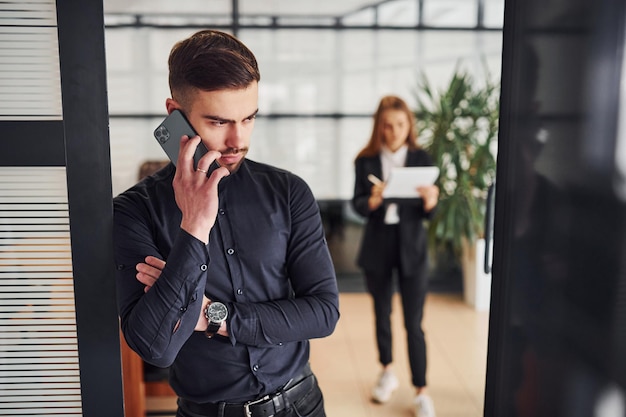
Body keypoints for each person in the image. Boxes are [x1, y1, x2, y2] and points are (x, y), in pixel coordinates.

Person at [113, 29, 340, 417]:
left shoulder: (289, 193)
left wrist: (212, 317)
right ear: (176, 115)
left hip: (301, 404)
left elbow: (322, 313)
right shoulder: (133, 212)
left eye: (248, 118)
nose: (238, 140)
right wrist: (194, 227)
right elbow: (157, 346)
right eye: (219, 122)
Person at [351, 95, 439, 417]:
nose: (394, 131)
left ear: (409, 125)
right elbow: (357, 205)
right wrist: (372, 201)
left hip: (412, 249)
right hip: (378, 246)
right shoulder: (366, 160)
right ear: (379, 127)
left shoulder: (422, 157)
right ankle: (387, 372)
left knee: (414, 323)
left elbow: (430, 212)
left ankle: (421, 390)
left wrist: (431, 202)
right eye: (387, 125)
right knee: (382, 314)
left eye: (400, 124)